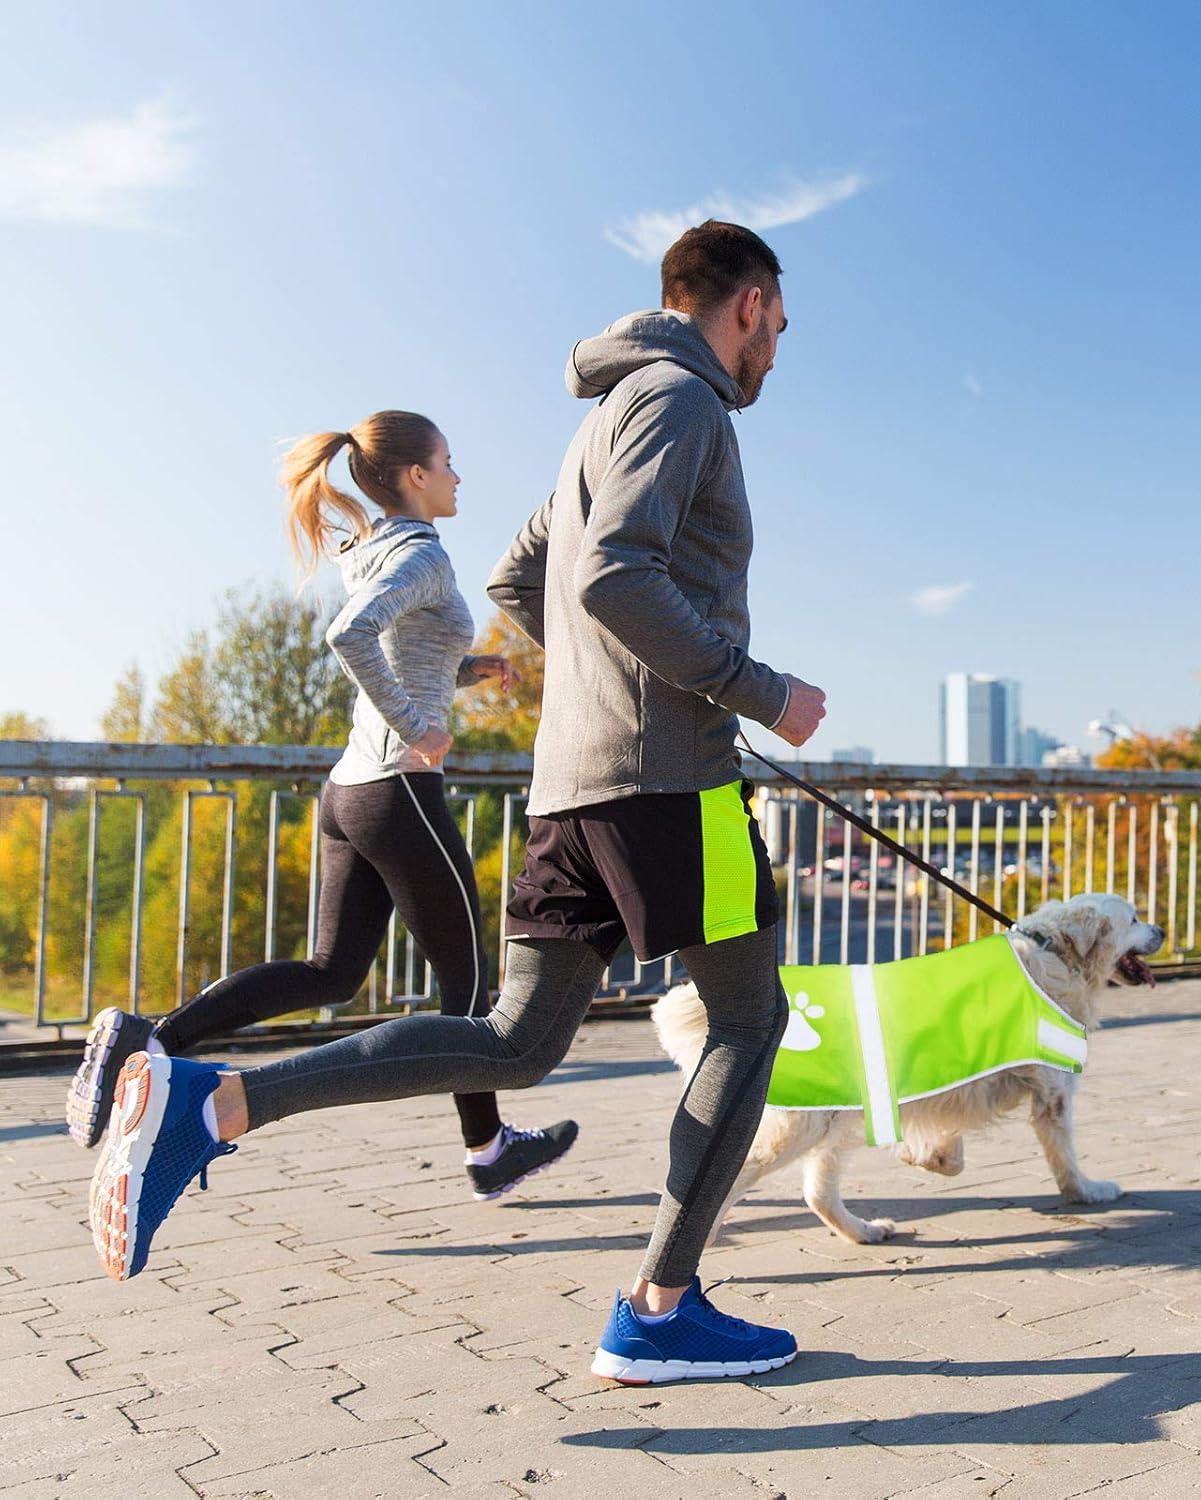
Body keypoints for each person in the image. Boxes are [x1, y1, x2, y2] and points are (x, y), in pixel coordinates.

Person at [89, 224, 827, 1385]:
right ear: (746, 305)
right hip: (672, 785)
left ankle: (214, 1105)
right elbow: (611, 577)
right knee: (747, 1022)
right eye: (778, 328)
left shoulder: (604, 418)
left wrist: (603, 687)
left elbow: (519, 578)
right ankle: (659, 1310)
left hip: (575, 781)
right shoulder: (686, 403)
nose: (777, 351)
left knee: (515, 1043)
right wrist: (757, 694)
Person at [69, 410, 576, 1201]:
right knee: (472, 988)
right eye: (447, 462)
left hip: (350, 790)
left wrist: (469, 668)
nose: (457, 475)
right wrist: (419, 727)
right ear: (415, 475)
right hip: (399, 789)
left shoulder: (370, 546)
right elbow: (353, 634)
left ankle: (151, 1038)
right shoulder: (422, 552)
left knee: (333, 970)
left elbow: (400, 645)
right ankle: (487, 1151)